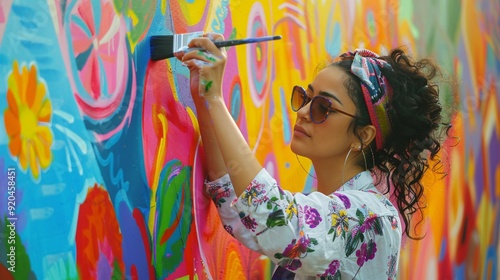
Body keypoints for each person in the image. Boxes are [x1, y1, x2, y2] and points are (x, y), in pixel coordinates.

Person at [179, 33, 448, 279]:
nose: (304, 112)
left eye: (323, 107)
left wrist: (215, 99)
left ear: (362, 136)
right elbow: (238, 208)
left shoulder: (369, 216)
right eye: (305, 97)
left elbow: (272, 217)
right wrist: (204, 100)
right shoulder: (326, 210)